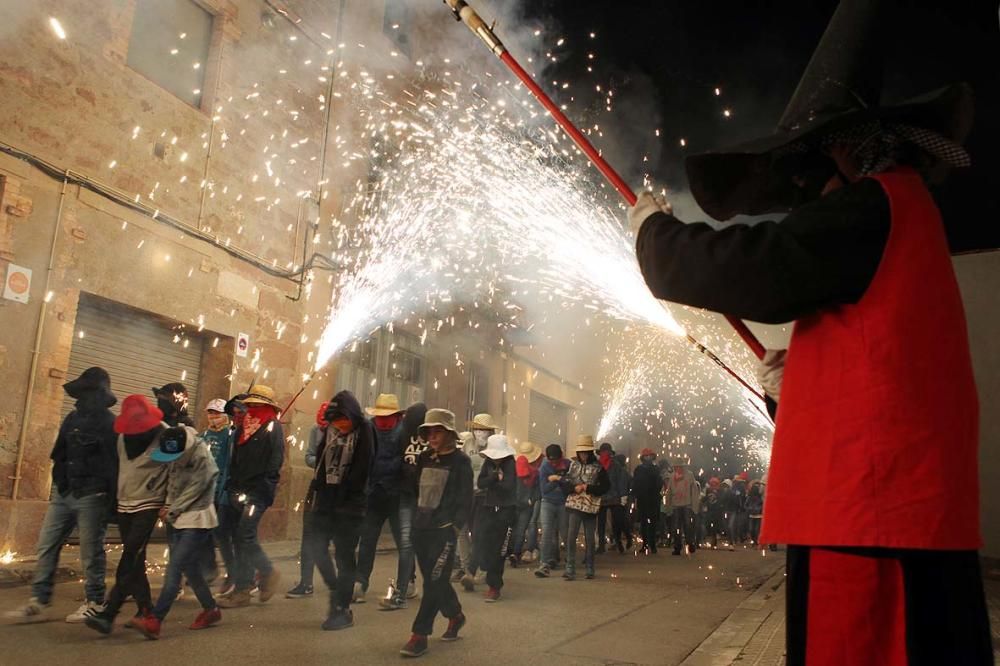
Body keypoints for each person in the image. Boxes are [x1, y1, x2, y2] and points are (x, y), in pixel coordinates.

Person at [628, 1, 990, 660]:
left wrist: (655, 237)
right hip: (889, 521)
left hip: (872, 528)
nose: (801, 195)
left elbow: (760, 269)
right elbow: (881, 372)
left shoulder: (873, 204)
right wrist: (793, 389)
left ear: (846, 152)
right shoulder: (900, 220)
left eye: (806, 172)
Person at [4, 367, 117, 624]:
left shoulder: (109, 424)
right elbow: (59, 454)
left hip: (92, 495)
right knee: (47, 544)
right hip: (64, 493)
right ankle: (40, 598)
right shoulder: (72, 419)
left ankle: (95, 601)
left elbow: (113, 466)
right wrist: (59, 484)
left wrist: (109, 501)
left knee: (90, 551)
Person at [85, 395, 170, 635]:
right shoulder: (123, 436)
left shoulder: (165, 435)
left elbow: (175, 469)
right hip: (125, 504)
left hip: (149, 503)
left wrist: (169, 502)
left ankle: (110, 612)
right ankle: (146, 611)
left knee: (130, 555)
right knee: (136, 560)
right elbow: (121, 467)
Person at [133, 424, 221, 639]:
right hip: (177, 517)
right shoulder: (175, 449)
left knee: (174, 568)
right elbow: (171, 480)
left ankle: (155, 619)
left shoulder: (202, 457)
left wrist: (173, 509)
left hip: (197, 518)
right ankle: (211, 610)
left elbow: (196, 489)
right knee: (190, 569)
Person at [399, 409, 473, 658]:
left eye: (437, 430)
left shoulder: (461, 462)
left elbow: (465, 498)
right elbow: (415, 489)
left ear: (449, 433)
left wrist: (454, 527)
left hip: (444, 532)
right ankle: (455, 614)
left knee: (433, 582)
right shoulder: (423, 457)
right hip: (422, 528)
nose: (432, 435)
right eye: (429, 431)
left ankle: (419, 635)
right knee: (435, 579)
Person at [304, 391, 373, 631]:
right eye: (336, 420)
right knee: (315, 546)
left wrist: (343, 498)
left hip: (351, 505)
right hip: (326, 502)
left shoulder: (365, 431)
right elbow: (321, 465)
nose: (340, 425)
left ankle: (342, 609)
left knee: (344, 557)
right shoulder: (329, 432)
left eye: (344, 420)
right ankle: (336, 588)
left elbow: (362, 469)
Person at [216, 385, 284, 608]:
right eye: (250, 405)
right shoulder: (242, 428)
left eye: (257, 405)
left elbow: (274, 463)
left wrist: (263, 489)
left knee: (245, 535)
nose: (252, 409)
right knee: (238, 538)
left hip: (257, 493)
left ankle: (267, 571)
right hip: (237, 490)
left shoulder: (273, 427)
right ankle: (243, 589)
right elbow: (236, 460)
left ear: (267, 407)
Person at [354, 394, 416, 610]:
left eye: (387, 416)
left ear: (396, 416)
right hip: (374, 495)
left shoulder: (405, 433)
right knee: (368, 540)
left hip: (398, 497)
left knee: (404, 543)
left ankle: (407, 582)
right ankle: (360, 582)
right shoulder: (369, 429)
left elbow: (408, 461)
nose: (383, 420)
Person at [286, 401, 328, 599]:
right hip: (317, 487)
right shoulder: (315, 430)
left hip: (338, 492)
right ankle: (306, 582)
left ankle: (342, 587)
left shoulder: (348, 433)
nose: (323, 427)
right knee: (308, 535)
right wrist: (320, 461)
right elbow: (308, 456)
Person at [473, 434, 516, 602]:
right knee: (481, 541)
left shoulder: (510, 464)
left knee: (499, 551)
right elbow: (481, 482)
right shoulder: (488, 463)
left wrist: (493, 483)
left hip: (506, 511)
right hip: (489, 507)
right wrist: (494, 478)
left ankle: (494, 587)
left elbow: (508, 486)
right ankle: (480, 569)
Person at [458, 413, 499, 591]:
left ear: (490, 432)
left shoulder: (495, 448)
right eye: (477, 429)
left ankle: (479, 570)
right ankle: (465, 568)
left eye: (483, 429)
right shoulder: (467, 444)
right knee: (461, 532)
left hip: (484, 496)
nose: (480, 433)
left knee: (479, 535)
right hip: (466, 494)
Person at [560, 436, 609, 580]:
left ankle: (590, 567)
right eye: (581, 452)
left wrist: (589, 487)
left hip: (590, 507)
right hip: (574, 505)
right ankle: (570, 567)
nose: (583, 455)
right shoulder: (573, 465)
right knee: (571, 536)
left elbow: (606, 486)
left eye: (586, 452)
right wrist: (573, 487)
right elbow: (565, 482)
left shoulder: (599, 468)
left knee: (589, 538)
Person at [534, 444, 570, 578]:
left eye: (556, 460)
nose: (554, 463)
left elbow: (570, 484)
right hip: (547, 502)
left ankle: (569, 562)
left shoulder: (568, 464)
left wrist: (557, 478)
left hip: (563, 503)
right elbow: (544, 489)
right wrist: (557, 480)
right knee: (547, 533)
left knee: (565, 533)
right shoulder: (544, 467)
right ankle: (544, 564)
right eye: (552, 461)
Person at [508, 441, 543, 566]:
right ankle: (517, 552)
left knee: (516, 529)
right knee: (521, 529)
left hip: (517, 504)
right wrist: (531, 499)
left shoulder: (513, 469)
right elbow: (536, 489)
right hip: (526, 504)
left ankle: (514, 552)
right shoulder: (535, 472)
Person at [596, 443, 631, 555]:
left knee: (617, 521)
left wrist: (622, 496)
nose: (605, 454)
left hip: (614, 497)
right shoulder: (597, 466)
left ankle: (618, 541)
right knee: (601, 523)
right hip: (601, 497)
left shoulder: (615, 466)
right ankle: (601, 545)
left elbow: (621, 481)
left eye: (607, 452)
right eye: (603, 452)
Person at [450, 430, 474, 581]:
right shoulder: (455, 458)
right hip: (459, 501)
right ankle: (465, 568)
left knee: (470, 535)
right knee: (461, 535)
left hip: (475, 499)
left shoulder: (466, 460)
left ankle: (470, 569)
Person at [631, 448, 662, 555]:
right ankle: (645, 544)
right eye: (646, 456)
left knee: (653, 523)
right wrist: (634, 497)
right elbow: (635, 484)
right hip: (643, 500)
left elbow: (659, 484)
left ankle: (652, 545)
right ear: (643, 458)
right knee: (644, 523)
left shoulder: (656, 469)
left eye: (649, 456)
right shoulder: (639, 469)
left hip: (653, 499)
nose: (648, 458)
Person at [664, 458, 697, 556]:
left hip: (687, 505)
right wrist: (668, 507)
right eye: (676, 466)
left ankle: (690, 543)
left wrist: (695, 506)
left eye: (680, 466)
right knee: (676, 528)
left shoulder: (689, 475)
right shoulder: (672, 477)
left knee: (688, 526)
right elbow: (668, 492)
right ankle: (677, 547)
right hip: (676, 505)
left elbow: (694, 491)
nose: (678, 468)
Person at [745, 480, 764, 546]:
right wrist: (750, 509)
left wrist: (759, 509)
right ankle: (754, 540)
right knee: (752, 529)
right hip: (752, 515)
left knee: (755, 530)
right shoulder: (749, 498)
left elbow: (762, 505)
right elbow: (746, 505)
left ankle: (755, 541)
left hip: (758, 515)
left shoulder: (760, 498)